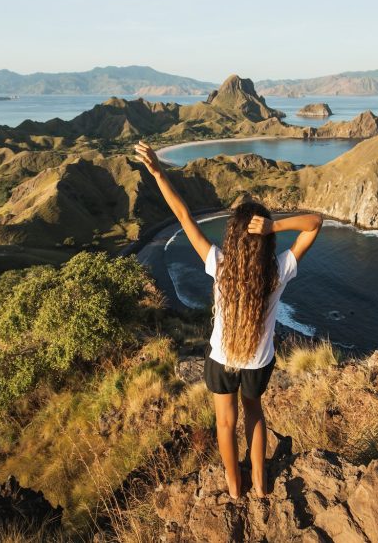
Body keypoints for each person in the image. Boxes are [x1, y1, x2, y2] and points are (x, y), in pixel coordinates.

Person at [134, 140, 323, 498]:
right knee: (255, 414)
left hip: (221, 359)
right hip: (258, 363)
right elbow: (314, 224)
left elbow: (184, 216)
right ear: (263, 241)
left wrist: (158, 173)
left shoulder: (219, 265)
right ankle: (262, 484)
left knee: (225, 422)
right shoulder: (277, 271)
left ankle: (235, 489)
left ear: (233, 237)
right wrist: (274, 227)